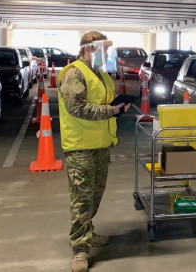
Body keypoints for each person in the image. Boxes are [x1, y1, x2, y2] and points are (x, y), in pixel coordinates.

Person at [57, 31, 131, 272]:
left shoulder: (99, 73)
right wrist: (110, 111)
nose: (107, 54)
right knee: (81, 199)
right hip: (80, 146)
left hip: (100, 144)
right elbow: (75, 107)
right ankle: (79, 251)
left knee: (95, 195)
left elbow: (104, 102)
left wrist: (117, 107)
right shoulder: (74, 73)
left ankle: (87, 232)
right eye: (104, 50)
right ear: (89, 49)